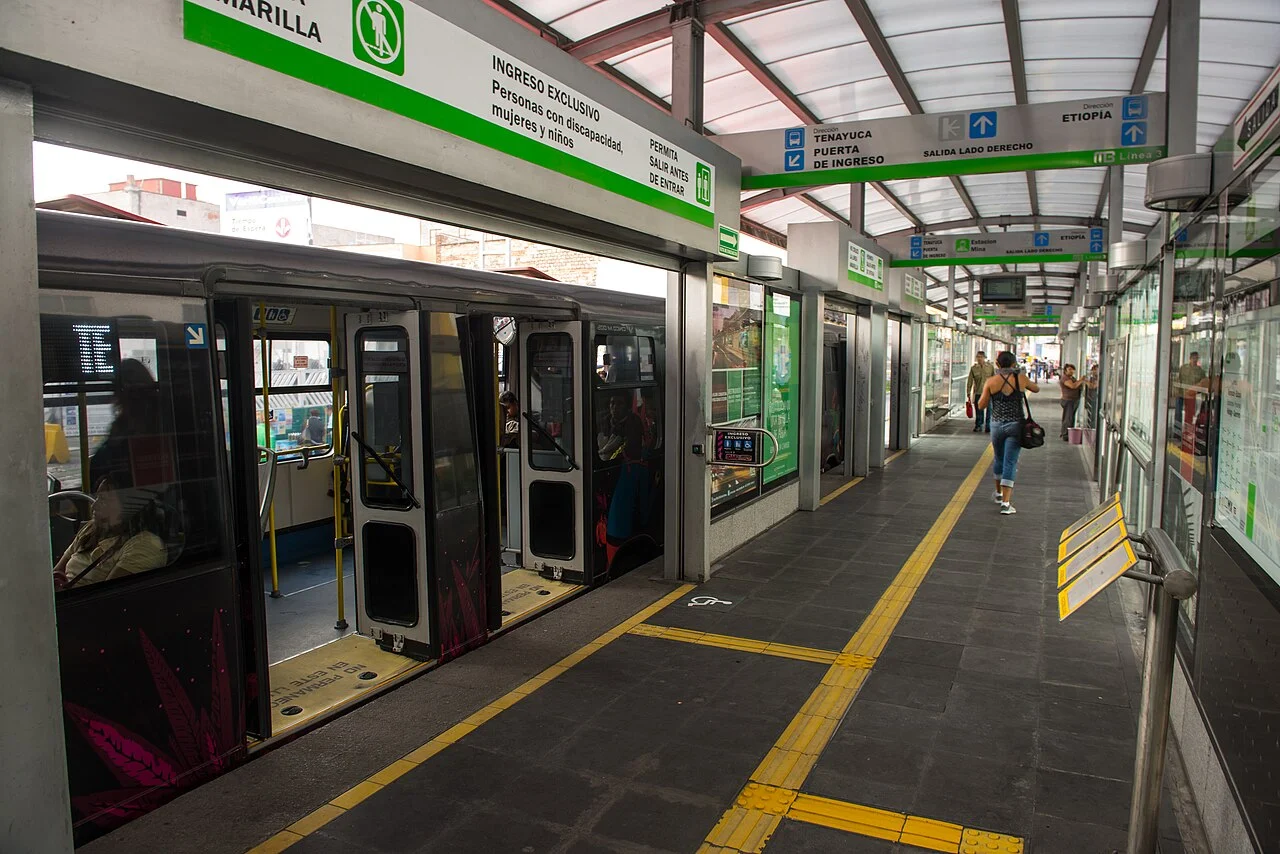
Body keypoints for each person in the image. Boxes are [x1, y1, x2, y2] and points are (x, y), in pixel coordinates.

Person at [52, 473, 167, 590]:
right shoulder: (92, 528)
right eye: (97, 497)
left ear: (128, 507)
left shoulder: (145, 545)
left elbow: (108, 596)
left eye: (103, 500)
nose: (94, 506)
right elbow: (57, 571)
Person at [978, 351, 1039, 515]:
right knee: (1010, 462)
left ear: (997, 364)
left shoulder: (991, 381)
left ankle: (999, 494)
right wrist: (1022, 376)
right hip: (1016, 426)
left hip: (997, 425)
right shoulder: (1021, 379)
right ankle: (1006, 504)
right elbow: (1036, 388)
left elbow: (981, 405)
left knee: (998, 458)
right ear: (1014, 364)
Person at [966, 351, 995, 432]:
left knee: (989, 410)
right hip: (978, 392)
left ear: (984, 358)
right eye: (978, 357)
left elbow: (994, 379)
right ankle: (979, 425)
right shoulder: (973, 368)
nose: (979, 358)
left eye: (981, 357)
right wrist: (968, 392)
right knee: (979, 410)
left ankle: (988, 426)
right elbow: (970, 381)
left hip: (989, 392)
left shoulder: (990, 367)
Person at [1059, 364, 1084, 441]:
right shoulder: (1065, 378)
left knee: (1070, 418)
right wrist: (1081, 380)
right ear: (1065, 370)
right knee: (1068, 418)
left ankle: (1068, 433)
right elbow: (1073, 386)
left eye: (1072, 369)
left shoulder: (1071, 378)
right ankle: (1065, 434)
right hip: (1068, 401)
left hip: (1073, 400)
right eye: (1069, 369)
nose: (1071, 371)